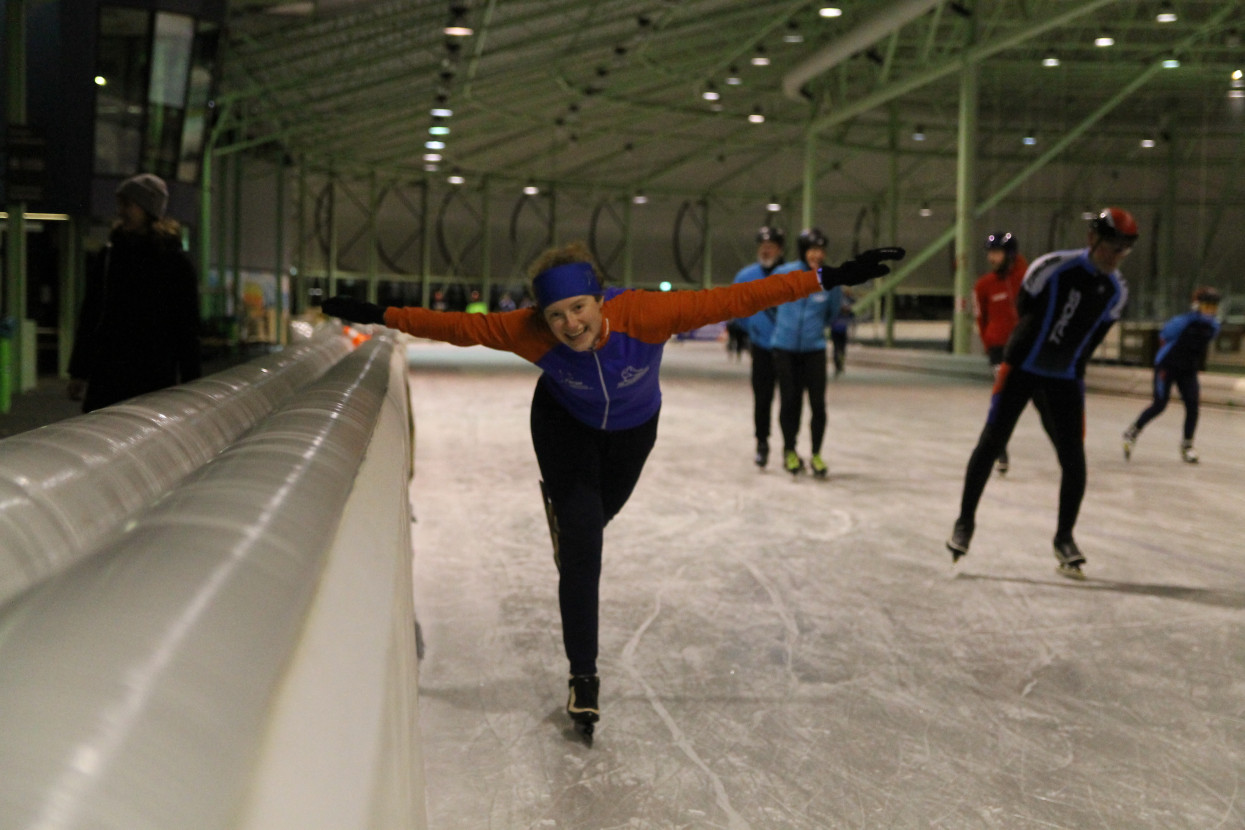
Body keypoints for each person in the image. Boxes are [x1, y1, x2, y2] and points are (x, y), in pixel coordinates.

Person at [321, 240, 904, 737]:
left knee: (592, 526)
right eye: (556, 316)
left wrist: (832, 277)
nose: (570, 324)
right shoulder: (525, 331)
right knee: (583, 550)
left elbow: (742, 299)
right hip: (562, 426)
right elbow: (453, 327)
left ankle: (571, 523)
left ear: (601, 301)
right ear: (540, 317)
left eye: (579, 308)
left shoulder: (646, 314)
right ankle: (583, 675)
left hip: (631, 432)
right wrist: (375, 312)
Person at [946, 207, 1135, 579]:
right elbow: (1026, 307)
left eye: (1122, 251)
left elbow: (1094, 337)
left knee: (1073, 460)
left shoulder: (1116, 291)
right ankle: (965, 522)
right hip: (1022, 369)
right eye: (1111, 248)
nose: (1115, 258)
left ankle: (1064, 538)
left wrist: (1068, 362)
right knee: (991, 442)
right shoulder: (1052, 267)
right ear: (1092, 240)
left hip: (1064, 377)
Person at [67, 173, 202, 413]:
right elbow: (91, 315)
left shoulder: (175, 264)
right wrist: (79, 372)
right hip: (109, 376)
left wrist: (193, 384)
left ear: (148, 210)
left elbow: (186, 327)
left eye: (127, 204)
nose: (120, 211)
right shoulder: (109, 257)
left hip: (153, 380)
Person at [770, 228, 841, 478]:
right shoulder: (783, 274)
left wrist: (813, 332)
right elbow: (768, 305)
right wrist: (783, 329)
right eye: (812, 250)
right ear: (803, 251)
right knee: (790, 402)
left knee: (818, 404)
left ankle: (817, 454)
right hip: (785, 349)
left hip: (814, 350)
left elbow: (832, 313)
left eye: (821, 251)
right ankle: (790, 450)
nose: (817, 255)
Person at [1123, 286, 1222, 463]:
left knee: (1193, 406)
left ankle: (1187, 445)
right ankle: (1133, 431)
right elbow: (1164, 337)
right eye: (1206, 307)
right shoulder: (1182, 321)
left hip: (1188, 370)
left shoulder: (1214, 326)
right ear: (1197, 306)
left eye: (1213, 308)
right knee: (1160, 404)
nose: (1210, 312)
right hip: (1167, 366)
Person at [972, 231, 1029, 474]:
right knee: (1003, 398)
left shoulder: (1026, 277)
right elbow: (980, 317)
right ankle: (1000, 447)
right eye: (990, 253)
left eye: (997, 253)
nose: (992, 258)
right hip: (999, 349)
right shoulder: (984, 285)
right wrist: (989, 344)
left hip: (1025, 345)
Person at [731, 225, 786, 467]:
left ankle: (790, 445)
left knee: (789, 399)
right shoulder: (746, 277)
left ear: (780, 249)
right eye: (763, 247)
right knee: (762, 399)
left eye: (771, 246)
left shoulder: (790, 275)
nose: (766, 250)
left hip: (787, 348)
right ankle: (762, 442)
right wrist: (751, 328)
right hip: (761, 348)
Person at [829, 292, 854, 377]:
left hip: (838, 330)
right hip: (839, 330)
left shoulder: (836, 305)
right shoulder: (843, 305)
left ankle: (839, 365)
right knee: (839, 348)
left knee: (838, 348)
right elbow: (851, 316)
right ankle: (839, 365)